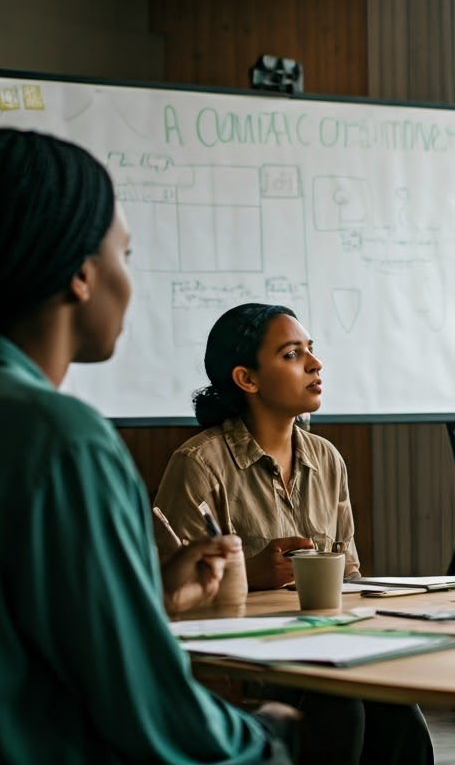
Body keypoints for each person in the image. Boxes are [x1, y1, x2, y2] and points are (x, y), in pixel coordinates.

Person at [0, 128, 294, 762]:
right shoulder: (63, 440)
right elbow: (148, 712)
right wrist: (265, 737)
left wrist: (148, 597)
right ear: (82, 275)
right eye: (126, 256)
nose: (129, 282)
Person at [153, 302, 434, 765]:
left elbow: (353, 578)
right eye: (291, 354)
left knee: (395, 706)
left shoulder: (327, 460)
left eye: (311, 350)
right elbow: (168, 598)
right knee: (338, 705)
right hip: (247, 661)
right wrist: (256, 572)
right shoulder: (199, 464)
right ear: (247, 379)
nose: (315, 363)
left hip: (327, 643)